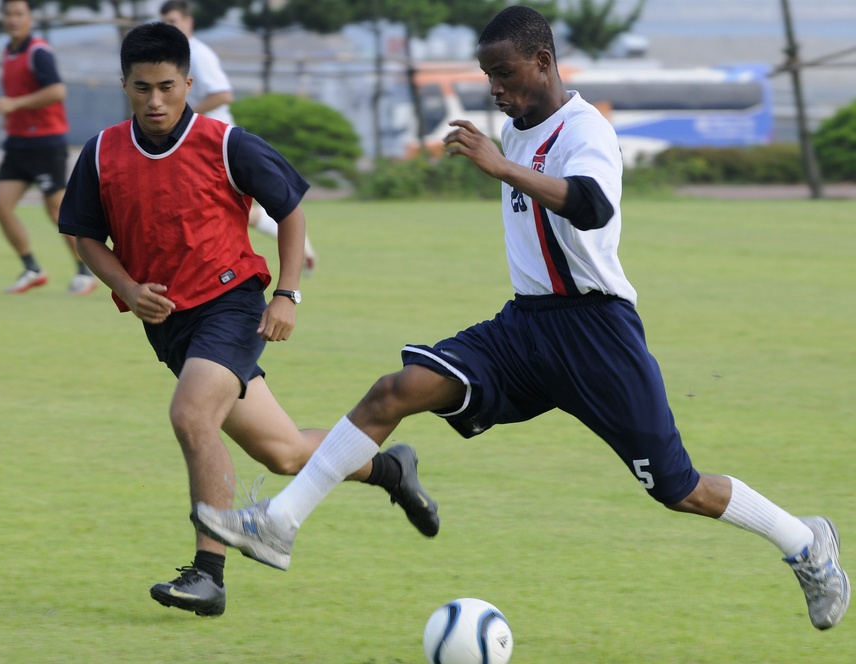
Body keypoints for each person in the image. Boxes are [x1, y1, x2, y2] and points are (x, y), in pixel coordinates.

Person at [191, 6, 850, 631]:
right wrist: (505, 157)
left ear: (543, 60)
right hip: (525, 328)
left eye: (505, 75)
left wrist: (502, 166)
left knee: (677, 488)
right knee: (395, 390)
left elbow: (591, 208)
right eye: (489, 77)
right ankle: (280, 523)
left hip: (597, 334)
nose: (496, 89)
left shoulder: (586, 129)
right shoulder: (515, 128)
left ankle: (805, 541)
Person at [56, 22, 438, 618]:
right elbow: (82, 234)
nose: (155, 101)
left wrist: (287, 293)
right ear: (124, 85)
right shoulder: (103, 152)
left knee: (189, 414)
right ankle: (390, 469)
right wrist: (127, 287)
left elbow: (289, 212)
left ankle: (208, 574)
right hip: (172, 328)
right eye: (141, 88)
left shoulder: (227, 143)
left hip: (231, 305)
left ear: (188, 82)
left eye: (166, 86)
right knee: (283, 453)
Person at [159, 0, 318, 274]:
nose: (169, 27)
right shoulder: (174, 55)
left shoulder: (198, 54)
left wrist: (181, 118)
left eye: (173, 21)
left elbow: (223, 94)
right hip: (191, 141)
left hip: (213, 143)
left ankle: (293, 237)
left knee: (218, 209)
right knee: (213, 209)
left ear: (188, 22)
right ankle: (296, 239)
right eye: (165, 23)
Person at [0, 0, 96, 295]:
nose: (13, 19)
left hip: (46, 142)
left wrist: (14, 104)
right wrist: (11, 114)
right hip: (18, 143)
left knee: (57, 210)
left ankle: (86, 273)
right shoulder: (8, 52)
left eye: (19, 14)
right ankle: (32, 268)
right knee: (1, 207)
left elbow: (57, 90)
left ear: (30, 18)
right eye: (8, 14)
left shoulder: (39, 52)